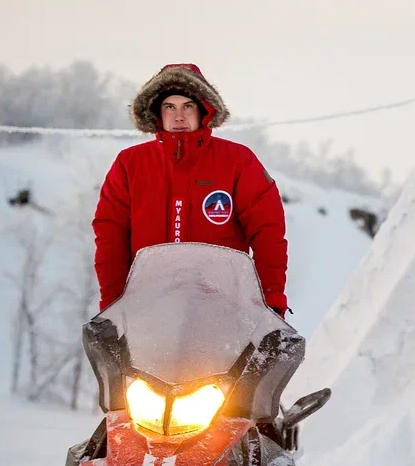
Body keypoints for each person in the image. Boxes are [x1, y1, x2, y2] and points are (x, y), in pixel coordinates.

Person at [92, 63, 289, 315]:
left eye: (188, 106)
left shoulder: (238, 161)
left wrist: (269, 300)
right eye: (169, 107)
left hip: (224, 313)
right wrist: (112, 304)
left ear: (203, 110)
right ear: (157, 113)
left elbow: (268, 232)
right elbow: (110, 234)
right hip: (147, 314)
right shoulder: (129, 164)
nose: (179, 116)